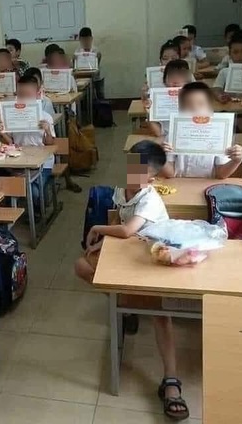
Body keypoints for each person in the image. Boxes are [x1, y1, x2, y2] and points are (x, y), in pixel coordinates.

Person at [74, 141, 189, 421]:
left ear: (151, 177)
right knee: (82, 266)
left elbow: (126, 230)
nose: (132, 173)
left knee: (160, 314)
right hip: (128, 253)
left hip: (152, 258)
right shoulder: (123, 192)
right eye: (131, 165)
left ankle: (171, 381)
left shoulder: (150, 198)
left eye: (140, 170)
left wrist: (98, 228)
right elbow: (121, 222)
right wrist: (102, 243)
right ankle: (128, 305)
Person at [160, 82, 242, 179]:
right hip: (179, 183)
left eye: (201, 104)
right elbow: (170, 173)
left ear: (211, 110)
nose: (195, 109)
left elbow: (221, 174)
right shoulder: (173, 135)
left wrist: (236, 161)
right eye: (188, 105)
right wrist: (160, 157)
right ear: (180, 110)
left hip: (208, 184)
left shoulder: (219, 135)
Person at [0, 97, 56, 205]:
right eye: (21, 95)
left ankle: (38, 207)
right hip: (20, 162)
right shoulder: (13, 115)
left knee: (34, 192)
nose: (25, 98)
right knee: (15, 186)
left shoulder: (45, 117)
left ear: (38, 95)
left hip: (43, 164)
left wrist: (47, 131)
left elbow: (50, 144)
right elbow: (12, 142)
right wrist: (3, 133)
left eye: (28, 94)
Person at [142, 60, 193, 137]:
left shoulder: (197, 98)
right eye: (171, 75)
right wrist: (149, 113)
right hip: (167, 138)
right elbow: (159, 132)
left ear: (188, 80)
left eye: (181, 75)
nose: (175, 80)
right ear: (164, 81)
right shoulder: (159, 101)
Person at [75, 27, 105, 98]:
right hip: (84, 77)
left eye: (87, 40)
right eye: (83, 40)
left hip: (97, 77)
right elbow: (75, 67)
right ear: (80, 40)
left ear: (91, 39)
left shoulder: (96, 51)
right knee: (86, 94)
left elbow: (97, 66)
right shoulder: (77, 51)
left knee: (99, 94)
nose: (86, 42)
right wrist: (74, 60)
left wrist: (98, 58)